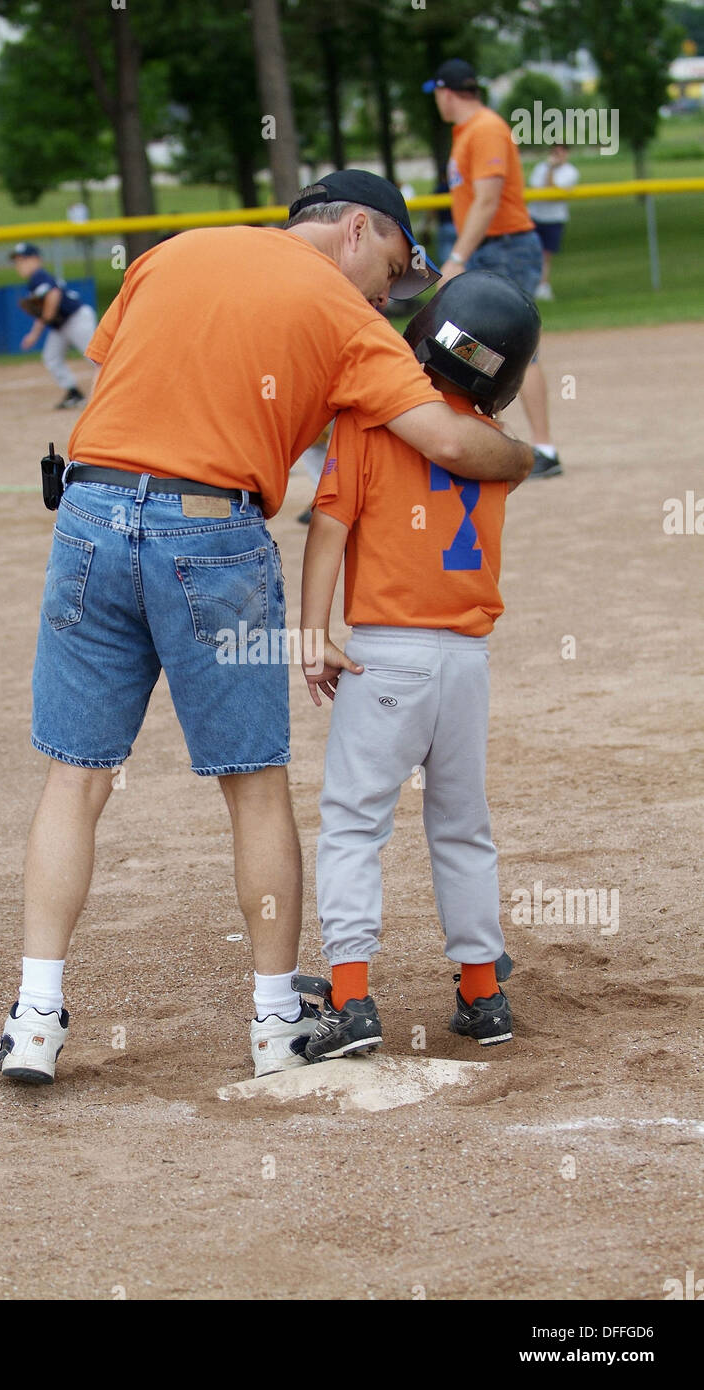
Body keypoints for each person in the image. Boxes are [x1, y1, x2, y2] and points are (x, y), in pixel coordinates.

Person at [0, 171, 534, 1088]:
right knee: (252, 786)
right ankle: (277, 1019)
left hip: (87, 516)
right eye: (393, 269)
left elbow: (113, 368)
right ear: (356, 229)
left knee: (75, 778)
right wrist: (525, 456)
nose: (385, 295)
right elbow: (449, 442)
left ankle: (34, 1018)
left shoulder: (175, 252)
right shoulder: (347, 317)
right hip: (209, 533)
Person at [295, 271, 541, 1058]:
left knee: (353, 825)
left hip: (386, 658)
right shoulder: (495, 450)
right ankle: (483, 995)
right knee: (462, 827)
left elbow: (328, 531)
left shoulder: (370, 422)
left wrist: (313, 631)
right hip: (466, 661)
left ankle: (353, 999)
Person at [423, 58, 562, 479]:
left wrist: (458, 257)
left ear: (447, 92)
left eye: (437, 93)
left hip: (503, 247)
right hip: (491, 248)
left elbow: (487, 199)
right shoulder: (469, 131)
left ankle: (543, 448)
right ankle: (480, 432)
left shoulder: (484, 128)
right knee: (464, 343)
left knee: (518, 348)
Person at [8, 242, 97, 409]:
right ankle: (74, 394)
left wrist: (44, 320)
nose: (20, 265)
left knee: (95, 357)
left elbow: (53, 294)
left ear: (37, 259)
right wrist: (35, 332)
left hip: (76, 318)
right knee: (51, 356)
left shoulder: (38, 276)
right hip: (62, 324)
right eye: (17, 261)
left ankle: (124, 387)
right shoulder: (34, 281)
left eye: (24, 260)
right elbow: (47, 305)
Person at [527, 144, 579, 300]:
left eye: (562, 151)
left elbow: (553, 192)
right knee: (531, 252)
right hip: (535, 216)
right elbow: (536, 188)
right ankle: (533, 285)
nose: (558, 155)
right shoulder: (540, 167)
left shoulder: (571, 171)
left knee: (546, 254)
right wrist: (548, 168)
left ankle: (542, 286)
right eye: (555, 151)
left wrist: (550, 169)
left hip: (554, 218)